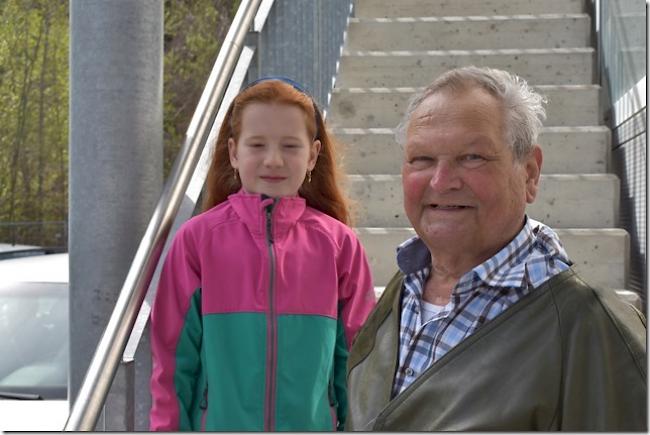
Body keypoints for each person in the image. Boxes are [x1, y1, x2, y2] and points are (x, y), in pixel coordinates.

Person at [345, 66, 647, 431]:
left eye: (472, 157)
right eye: (421, 160)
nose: (441, 182)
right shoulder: (405, 284)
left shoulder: (590, 327)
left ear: (530, 173)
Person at [149, 77, 376, 431]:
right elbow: (173, 362)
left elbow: (359, 361)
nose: (273, 160)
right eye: (257, 145)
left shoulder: (340, 246)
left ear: (313, 155)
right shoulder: (196, 241)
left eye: (290, 146)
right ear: (234, 153)